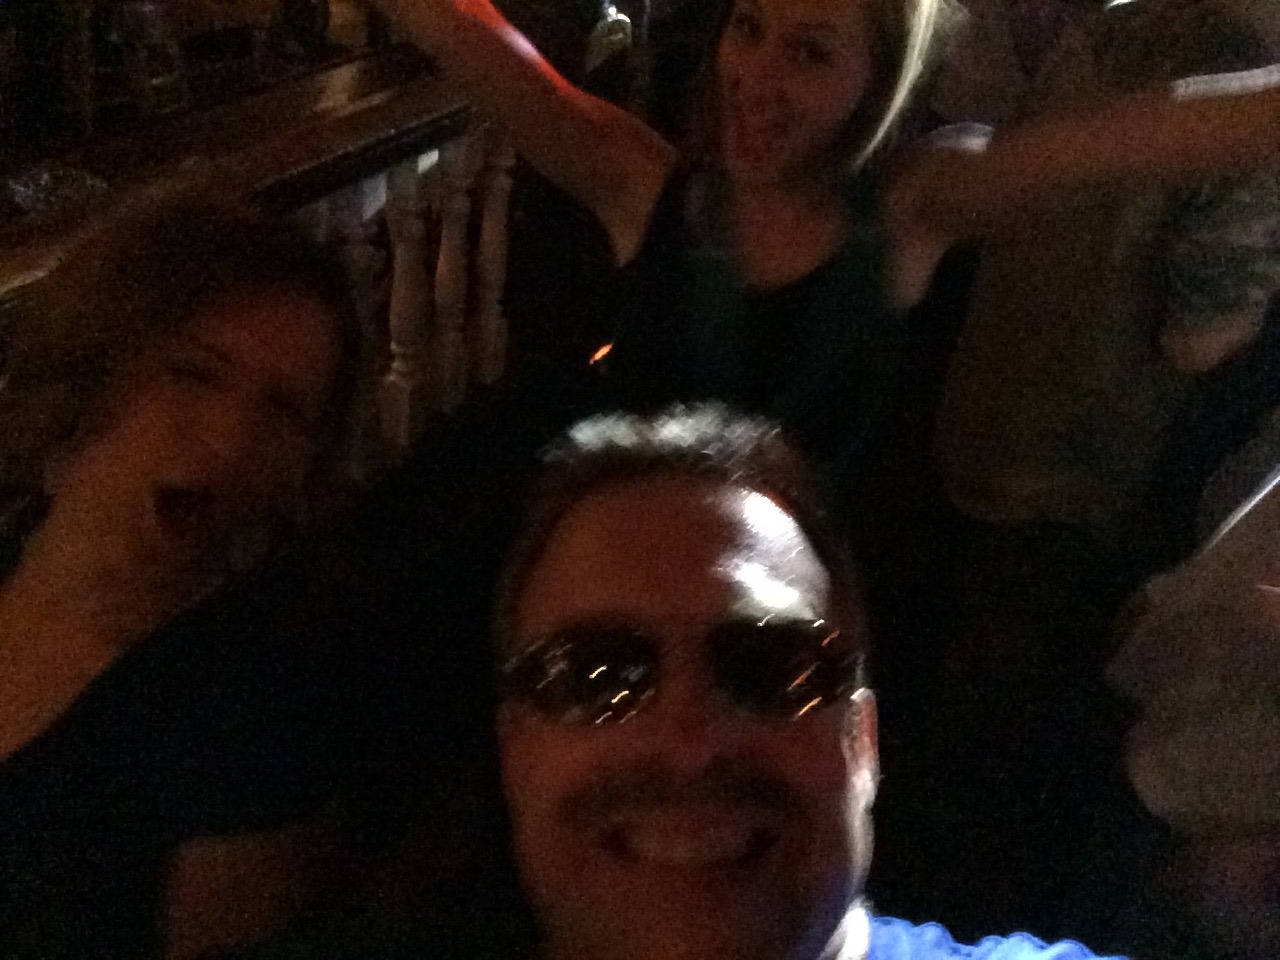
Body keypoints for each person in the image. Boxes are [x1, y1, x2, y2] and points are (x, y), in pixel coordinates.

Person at [0, 188, 367, 959]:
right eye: (196, 375)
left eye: (283, 410)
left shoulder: (248, 718)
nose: (231, 440)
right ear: (96, 363)